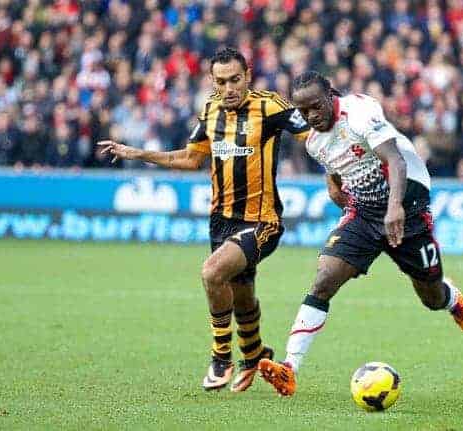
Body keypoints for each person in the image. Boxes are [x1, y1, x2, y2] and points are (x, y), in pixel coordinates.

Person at [98, 48, 309, 392]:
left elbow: (312, 136)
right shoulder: (210, 110)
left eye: (235, 80)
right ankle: (255, 355)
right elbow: (191, 158)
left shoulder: (270, 105)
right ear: (213, 81)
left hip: (262, 221)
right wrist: (138, 153)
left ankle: (221, 357)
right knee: (241, 294)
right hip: (220, 221)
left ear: (248, 75)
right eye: (221, 81)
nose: (229, 88)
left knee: (212, 272)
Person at [257, 71, 463, 396]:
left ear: (331, 95)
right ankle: (290, 368)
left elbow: (396, 161)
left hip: (409, 205)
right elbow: (336, 169)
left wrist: (395, 208)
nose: (311, 116)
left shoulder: (359, 113)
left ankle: (451, 298)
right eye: (303, 112)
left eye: (316, 107)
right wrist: (336, 190)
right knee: (324, 279)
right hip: (365, 212)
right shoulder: (315, 142)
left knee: (430, 296)